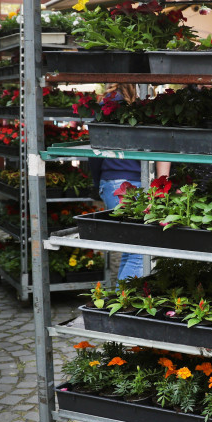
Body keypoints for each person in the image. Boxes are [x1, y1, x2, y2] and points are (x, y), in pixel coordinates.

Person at [89, 84, 146, 282]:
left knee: (131, 249)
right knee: (140, 251)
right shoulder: (141, 108)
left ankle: (120, 300)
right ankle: (126, 302)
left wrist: (98, 184)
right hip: (129, 182)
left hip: (113, 181)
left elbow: (95, 153)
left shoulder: (106, 106)